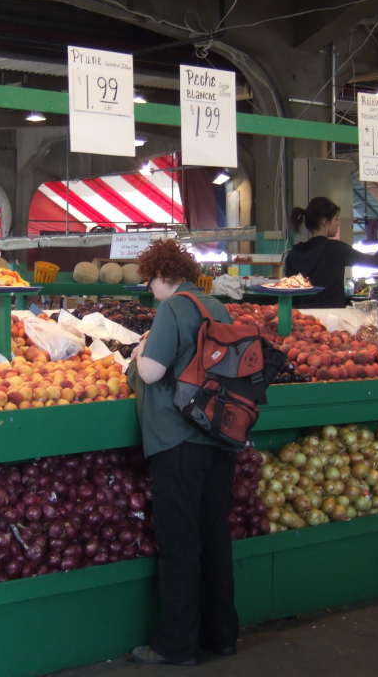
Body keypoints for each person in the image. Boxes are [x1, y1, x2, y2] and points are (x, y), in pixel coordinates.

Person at [126, 239, 237, 666]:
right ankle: (222, 634)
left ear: (160, 275)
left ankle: (176, 645)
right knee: (214, 537)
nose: (148, 288)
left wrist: (138, 354)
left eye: (148, 280)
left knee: (180, 543)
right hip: (218, 436)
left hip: (177, 440)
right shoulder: (216, 306)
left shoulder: (172, 308)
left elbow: (153, 372)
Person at [284, 197, 378, 307]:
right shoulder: (337, 249)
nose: (338, 223)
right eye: (336, 219)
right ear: (324, 221)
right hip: (332, 318)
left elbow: (290, 292)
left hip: (301, 317)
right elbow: (377, 262)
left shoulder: (294, 252)